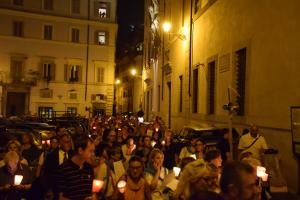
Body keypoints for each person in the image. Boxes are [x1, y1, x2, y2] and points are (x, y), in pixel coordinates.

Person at [54, 134, 95, 200]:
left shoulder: (89, 168)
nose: (93, 154)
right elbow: (60, 197)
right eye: (90, 151)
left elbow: (91, 192)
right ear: (80, 151)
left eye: (93, 151)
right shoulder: (63, 170)